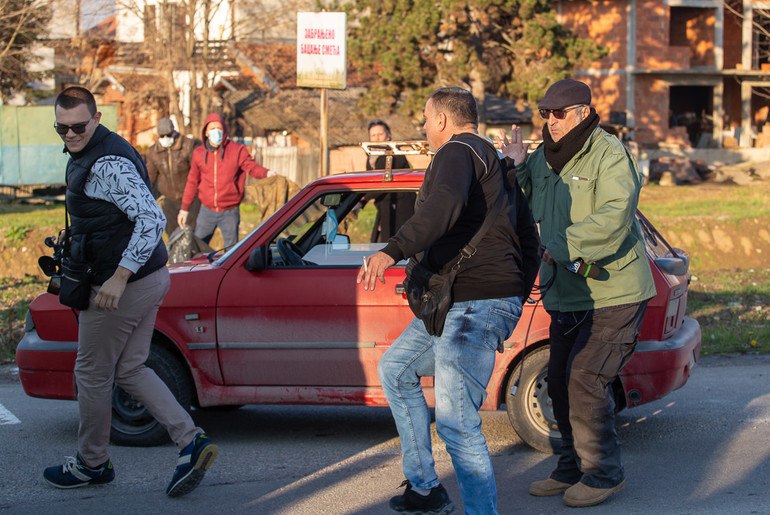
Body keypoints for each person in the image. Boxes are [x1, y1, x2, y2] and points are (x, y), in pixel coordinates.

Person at [358, 87, 540, 514]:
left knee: (457, 424)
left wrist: (392, 250)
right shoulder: (496, 164)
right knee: (396, 369)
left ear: (442, 120)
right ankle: (424, 487)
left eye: (425, 119)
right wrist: (513, 297)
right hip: (465, 302)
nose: (423, 127)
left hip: (472, 305)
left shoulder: (456, 152)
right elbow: (528, 240)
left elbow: (444, 205)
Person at [43, 86, 217, 497]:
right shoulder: (100, 151)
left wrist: (118, 277)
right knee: (130, 368)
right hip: (150, 277)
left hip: (122, 287)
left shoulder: (105, 163)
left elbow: (151, 217)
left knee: (91, 373)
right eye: (61, 128)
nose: (70, 135)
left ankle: (92, 463)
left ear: (97, 118)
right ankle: (190, 441)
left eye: (78, 126)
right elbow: (116, 215)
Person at [498, 78, 656, 508]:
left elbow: (613, 216)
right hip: (567, 292)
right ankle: (570, 468)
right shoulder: (543, 158)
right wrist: (512, 167)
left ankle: (604, 475)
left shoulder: (609, 154)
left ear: (583, 112)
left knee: (586, 379)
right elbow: (521, 198)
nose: (550, 121)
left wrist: (558, 247)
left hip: (614, 290)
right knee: (562, 383)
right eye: (545, 113)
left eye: (559, 113)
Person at [177, 113, 273, 250]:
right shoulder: (199, 153)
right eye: (212, 128)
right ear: (206, 132)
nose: (216, 131)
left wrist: (267, 173)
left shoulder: (237, 150)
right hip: (206, 210)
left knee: (231, 253)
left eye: (219, 128)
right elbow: (192, 182)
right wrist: (184, 209)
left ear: (224, 130)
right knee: (196, 249)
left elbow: (251, 167)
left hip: (230, 211)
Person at [146, 117, 200, 236]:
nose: (166, 138)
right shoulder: (154, 152)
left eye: (168, 135)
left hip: (190, 199)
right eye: (162, 136)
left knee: (191, 234)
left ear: (174, 132)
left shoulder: (188, 146)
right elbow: (150, 177)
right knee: (172, 235)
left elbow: (197, 173)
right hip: (169, 200)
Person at [364, 119, 415, 242]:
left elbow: (383, 183)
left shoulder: (395, 155)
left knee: (396, 244)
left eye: (380, 135)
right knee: (379, 243)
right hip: (383, 207)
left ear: (388, 136)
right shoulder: (371, 157)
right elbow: (370, 182)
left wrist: (362, 199)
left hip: (400, 208)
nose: (377, 138)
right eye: (373, 135)